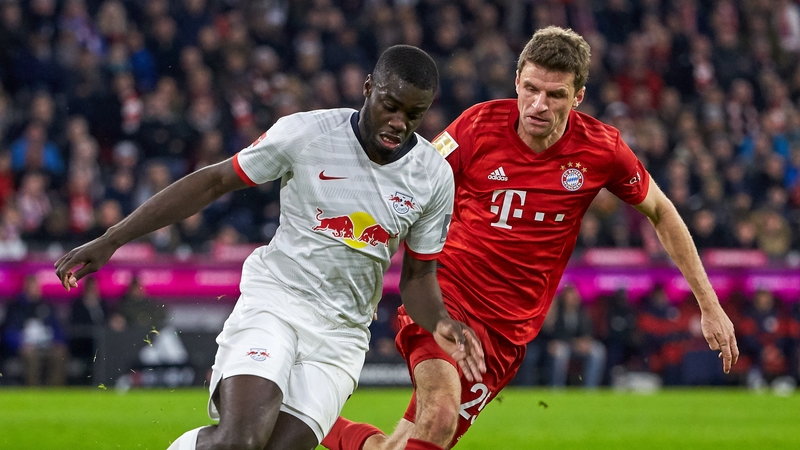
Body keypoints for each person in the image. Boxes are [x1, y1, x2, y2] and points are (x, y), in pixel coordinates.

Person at [323, 26, 739, 450]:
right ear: (517, 81)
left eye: (555, 95)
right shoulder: (477, 126)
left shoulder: (601, 149)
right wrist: (364, 277)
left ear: (577, 97)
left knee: (409, 442)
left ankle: (310, 419)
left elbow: (662, 211)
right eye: (530, 89)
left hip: (508, 333)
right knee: (441, 415)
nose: (538, 105)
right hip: (447, 295)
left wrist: (709, 305)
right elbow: (405, 195)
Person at [54, 45, 485, 450]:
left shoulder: (432, 176)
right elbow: (215, 180)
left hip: (342, 335)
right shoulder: (306, 133)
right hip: (276, 303)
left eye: (415, 114)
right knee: (240, 441)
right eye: (390, 106)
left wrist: (441, 321)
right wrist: (112, 239)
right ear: (368, 87)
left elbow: (418, 277)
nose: (399, 123)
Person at [1, 274, 68, 386]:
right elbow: (8, 332)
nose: (35, 289)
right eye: (32, 286)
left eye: (37, 286)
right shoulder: (16, 307)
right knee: (32, 357)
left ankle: (55, 392)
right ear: (25, 287)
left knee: (60, 353)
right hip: (26, 346)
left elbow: (57, 328)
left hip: (47, 345)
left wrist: (58, 342)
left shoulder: (46, 305)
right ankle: (33, 392)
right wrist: (20, 344)